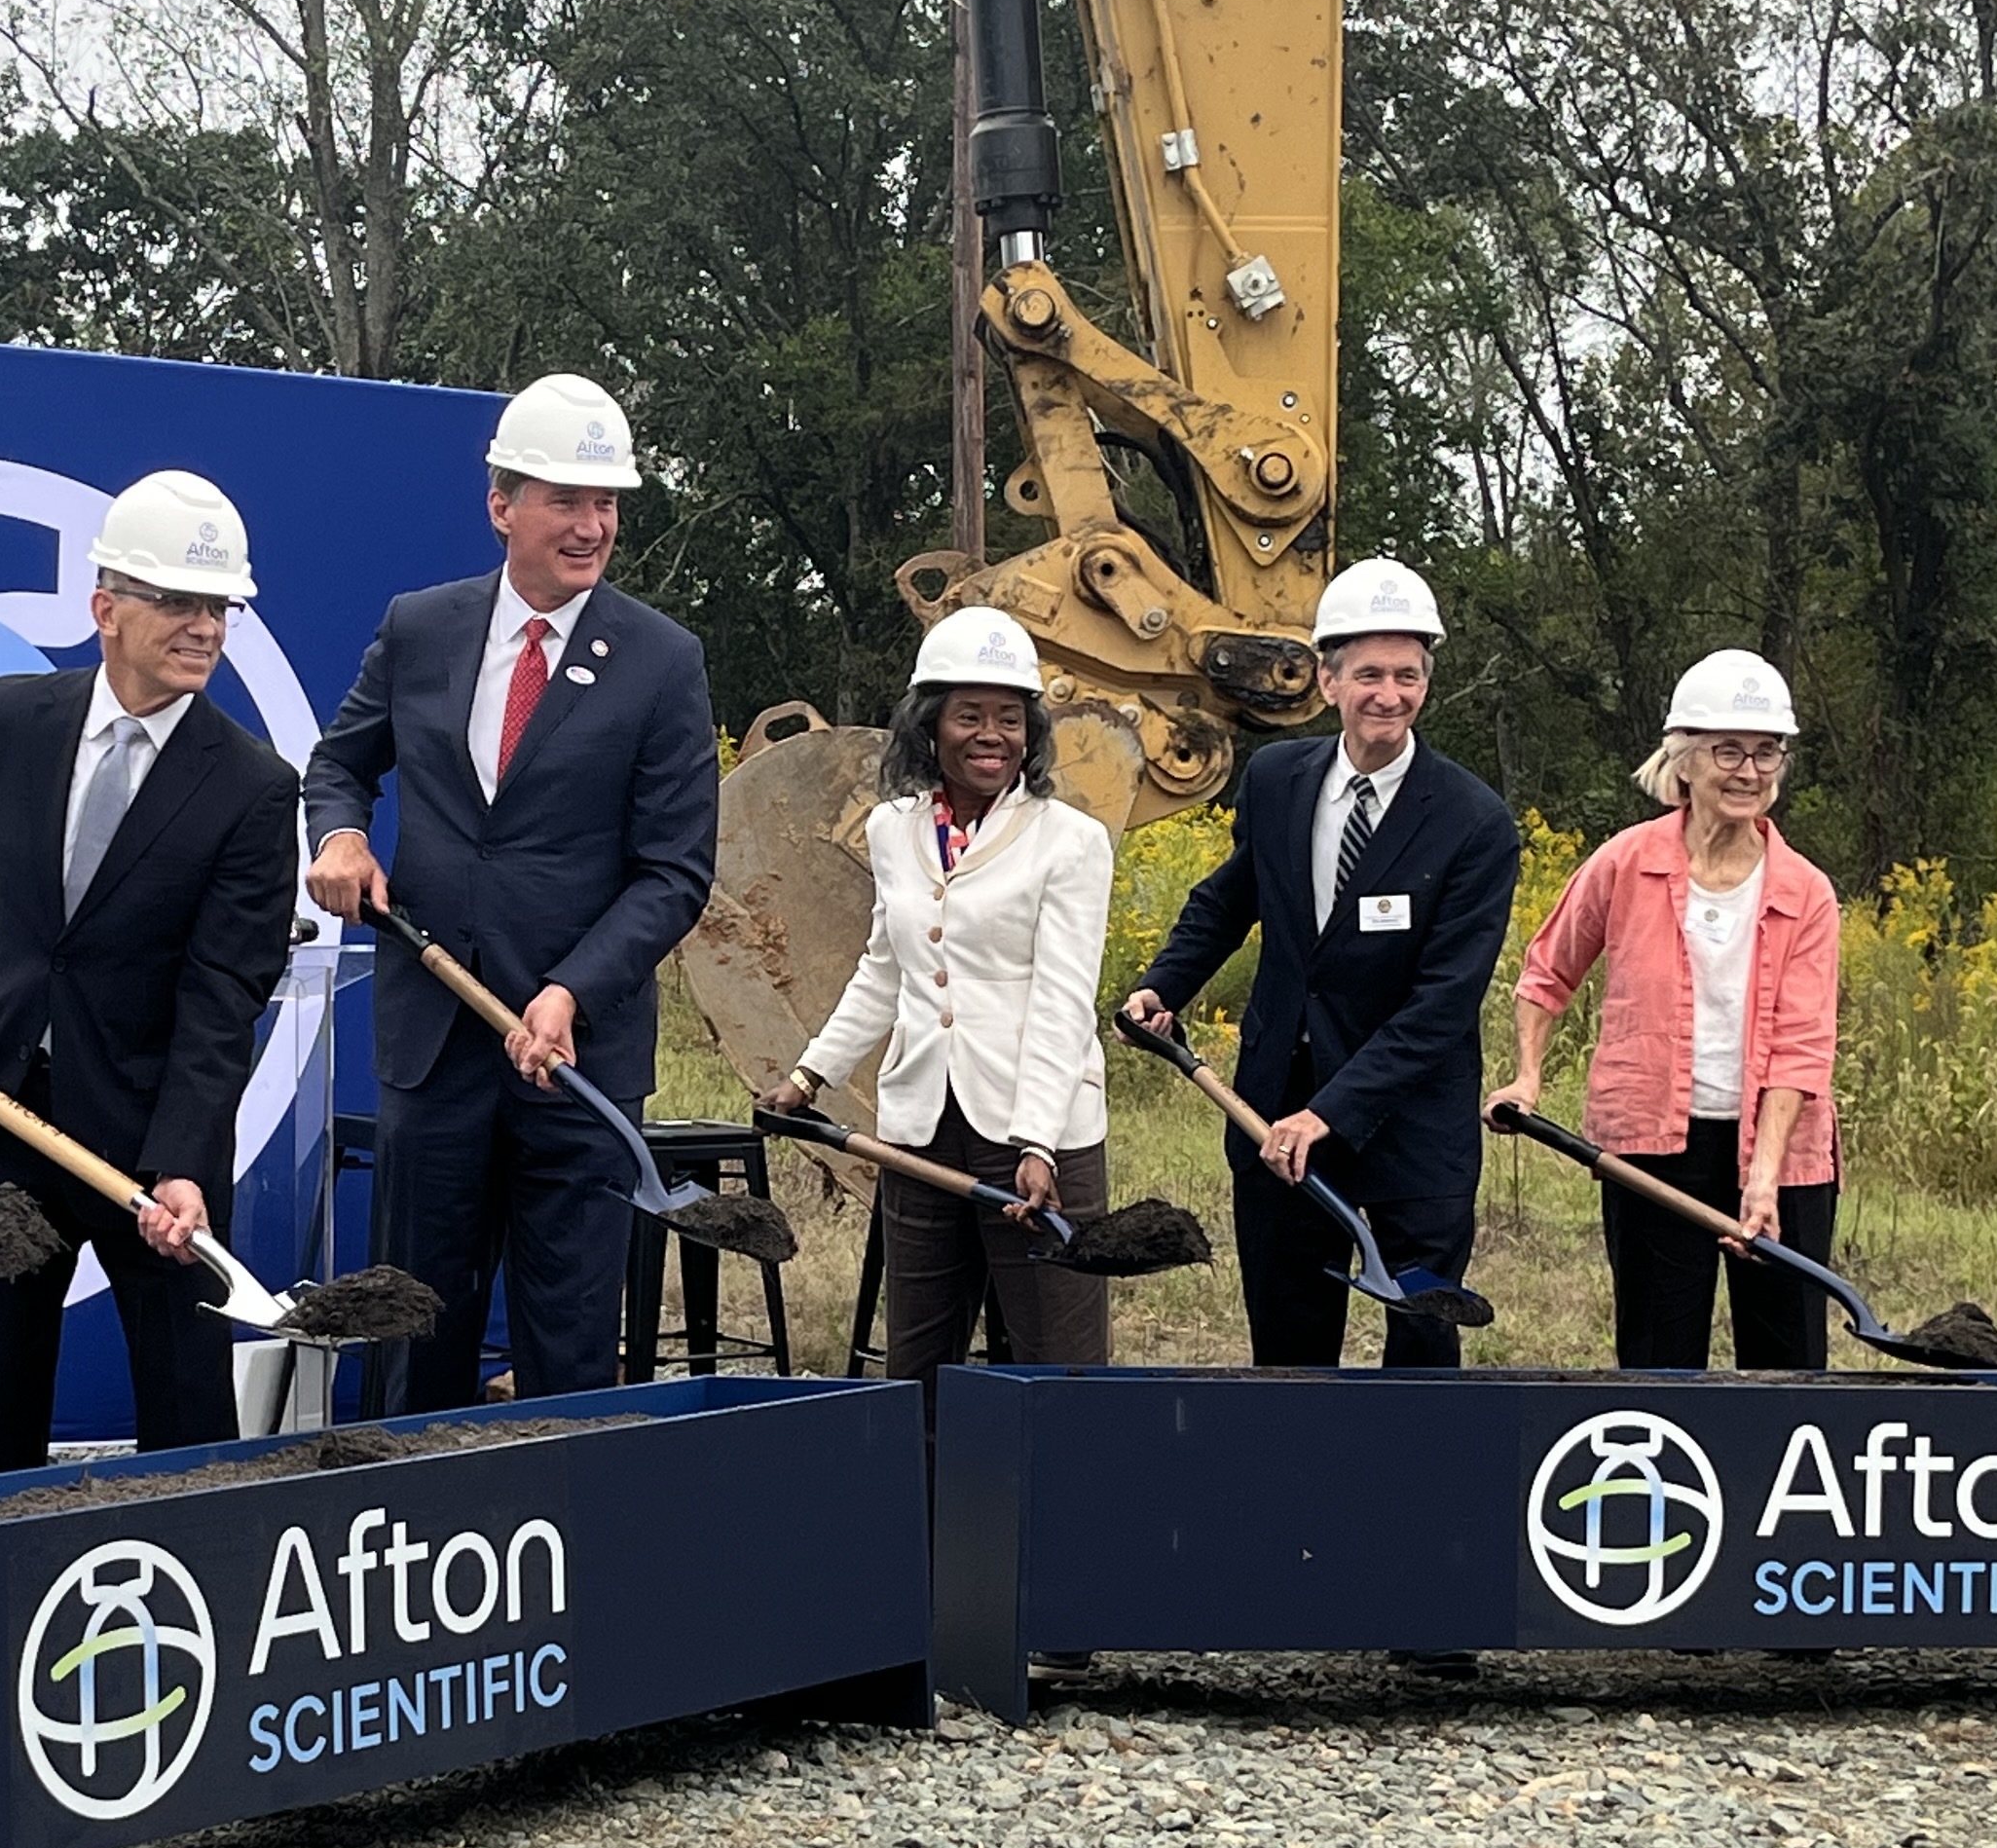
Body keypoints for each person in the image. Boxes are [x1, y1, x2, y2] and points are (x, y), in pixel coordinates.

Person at [0, 472, 303, 1469]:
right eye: (180, 603)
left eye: (219, 608)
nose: (205, 628)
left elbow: (225, 989)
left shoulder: (252, 787)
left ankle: (196, 1588)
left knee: (188, 1412)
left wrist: (185, 1161)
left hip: (154, 1147)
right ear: (105, 609)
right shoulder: (13, 715)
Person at [301, 373, 718, 1411]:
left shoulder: (664, 663)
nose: (590, 526)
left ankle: (567, 1548)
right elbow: (338, 764)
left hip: (575, 1062)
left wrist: (570, 991)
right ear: (502, 507)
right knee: (411, 1329)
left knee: (570, 1343)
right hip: (434, 1045)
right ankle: (400, 1533)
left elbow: (675, 873)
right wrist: (343, 835)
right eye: (564, 501)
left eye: (606, 504)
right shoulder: (421, 628)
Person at [1124, 561, 1521, 1368]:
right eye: (1369, 674)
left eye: (1407, 675)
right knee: (1291, 1349)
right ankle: (1298, 1488)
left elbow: (1441, 1005)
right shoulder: (1276, 781)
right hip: (1279, 1112)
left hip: (1410, 1125)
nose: (1390, 694)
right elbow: (1229, 900)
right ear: (1330, 680)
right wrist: (1165, 983)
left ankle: (1408, 1493)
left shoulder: (1476, 824)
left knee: (1420, 1343)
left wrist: (1331, 1111)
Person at [762, 607, 1116, 1378]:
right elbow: (885, 967)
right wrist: (809, 1073)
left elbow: (1063, 999)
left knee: (1054, 1355)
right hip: (923, 1122)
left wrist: (1037, 1143)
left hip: (1035, 1129)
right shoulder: (895, 829)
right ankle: (925, 1495)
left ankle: (1063, 1498)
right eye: (970, 716)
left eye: (1010, 719)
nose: (992, 735)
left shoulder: (1070, 842)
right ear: (929, 726)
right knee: (920, 1356)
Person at [1494, 650, 1841, 1370]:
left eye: (1766, 753)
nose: (1749, 772)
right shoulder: (1624, 862)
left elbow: (1802, 1049)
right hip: (1654, 1152)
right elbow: (1545, 973)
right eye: (1728, 752)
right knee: (1658, 1357)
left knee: (1787, 1362)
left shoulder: (1807, 892)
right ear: (1683, 760)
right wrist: (1528, 1076)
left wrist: (1764, 1178)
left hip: (1781, 1158)